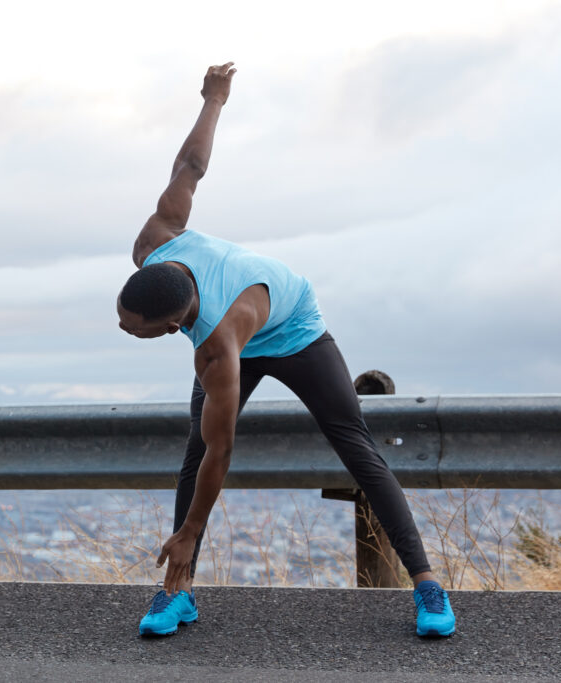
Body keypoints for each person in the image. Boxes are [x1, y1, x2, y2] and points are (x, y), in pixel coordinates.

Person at [116, 62, 455, 638]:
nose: (126, 331)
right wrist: (214, 100)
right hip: (242, 316)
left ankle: (427, 587)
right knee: (190, 456)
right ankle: (178, 595)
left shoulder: (218, 349)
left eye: (137, 329)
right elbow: (190, 167)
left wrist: (191, 529)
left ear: (175, 324)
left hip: (294, 330)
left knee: (354, 447)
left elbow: (224, 449)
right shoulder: (155, 241)